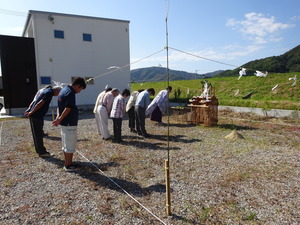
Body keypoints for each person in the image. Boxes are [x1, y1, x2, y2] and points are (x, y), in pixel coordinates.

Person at [52, 77, 86, 171]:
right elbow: (68, 108)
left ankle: (67, 162)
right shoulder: (70, 93)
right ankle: (69, 165)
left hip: (64, 122)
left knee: (66, 144)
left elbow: (60, 107)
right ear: (78, 86)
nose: (79, 92)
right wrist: (59, 119)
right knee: (70, 144)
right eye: (80, 89)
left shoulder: (63, 90)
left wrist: (58, 118)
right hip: (69, 122)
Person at [25, 86, 62, 157]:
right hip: (37, 115)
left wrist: (29, 109)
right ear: (57, 91)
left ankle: (38, 150)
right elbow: (40, 103)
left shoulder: (43, 90)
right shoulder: (49, 93)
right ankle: (42, 152)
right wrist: (32, 112)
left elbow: (34, 100)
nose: (57, 95)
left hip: (33, 115)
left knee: (36, 134)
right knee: (39, 134)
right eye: (58, 94)